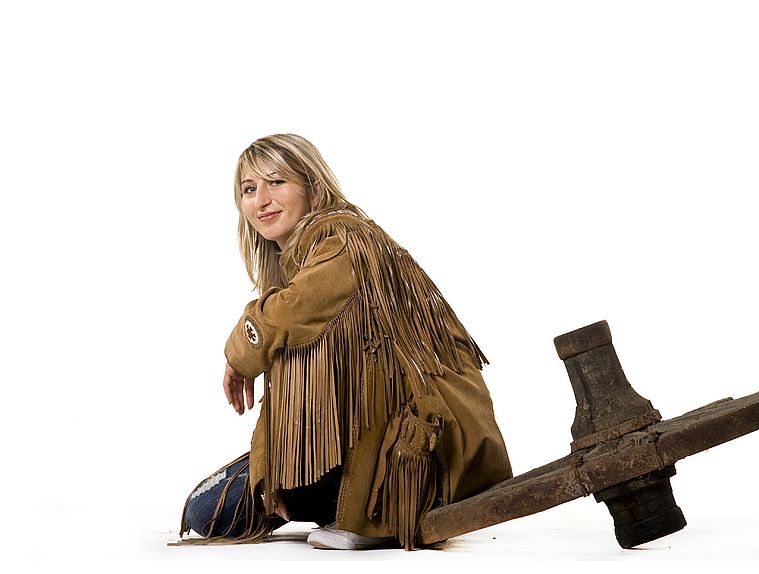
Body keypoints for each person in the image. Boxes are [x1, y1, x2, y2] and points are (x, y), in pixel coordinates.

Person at [178, 134, 513, 550]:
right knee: (212, 501)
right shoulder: (311, 252)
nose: (262, 200)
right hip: (365, 441)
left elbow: (294, 311)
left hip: (408, 452)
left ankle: (370, 512)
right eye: (250, 189)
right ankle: (322, 495)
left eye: (277, 182)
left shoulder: (344, 241)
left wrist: (240, 352)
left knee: (205, 509)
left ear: (314, 187)